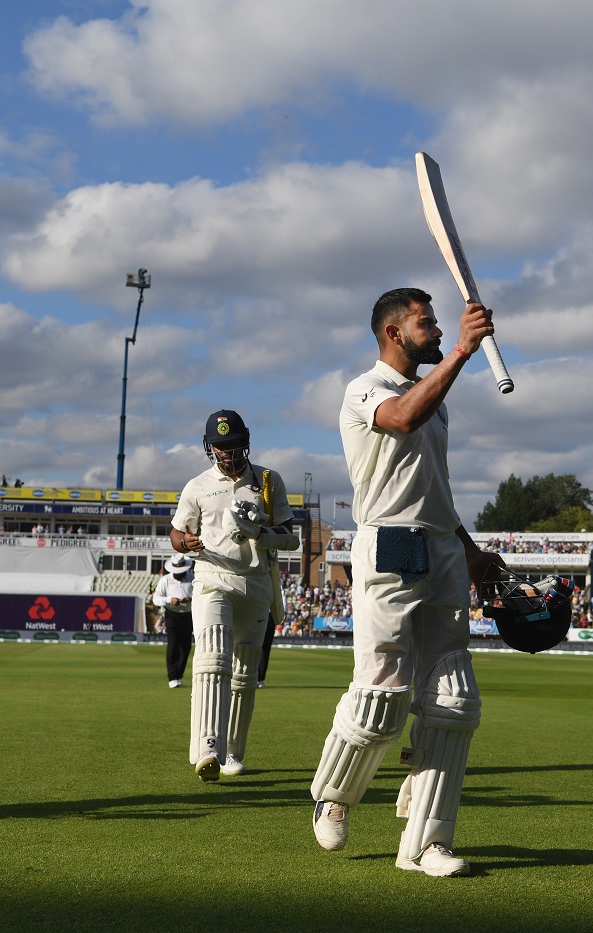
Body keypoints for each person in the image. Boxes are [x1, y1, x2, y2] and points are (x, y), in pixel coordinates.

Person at [308, 287, 505, 878]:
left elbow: (434, 486)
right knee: (381, 696)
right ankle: (334, 795)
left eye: (441, 325)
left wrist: (468, 550)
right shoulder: (364, 389)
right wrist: (463, 354)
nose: (439, 331)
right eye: (428, 324)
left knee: (453, 700)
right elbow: (401, 417)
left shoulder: (437, 399)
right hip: (390, 541)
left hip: (441, 544)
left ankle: (427, 842)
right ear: (395, 332)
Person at [169, 410, 296, 782]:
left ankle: (231, 754)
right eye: (221, 446)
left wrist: (258, 533)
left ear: (246, 442)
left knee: (243, 674)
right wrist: (186, 543)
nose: (227, 452)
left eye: (233, 444)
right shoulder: (197, 486)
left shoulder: (268, 482)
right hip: (212, 577)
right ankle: (207, 749)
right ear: (211, 448)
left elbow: (291, 536)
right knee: (212, 658)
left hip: (256, 582)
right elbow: (176, 533)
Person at [153, 554, 196, 688]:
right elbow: (156, 599)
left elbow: (199, 594)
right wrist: (169, 600)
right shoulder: (165, 580)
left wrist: (190, 598)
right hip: (172, 614)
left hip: (188, 614)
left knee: (186, 646)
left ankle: (179, 675)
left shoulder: (193, 578)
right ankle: (172, 677)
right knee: (173, 645)